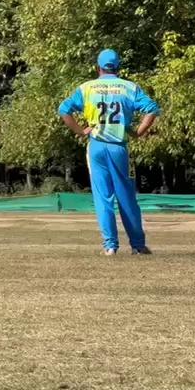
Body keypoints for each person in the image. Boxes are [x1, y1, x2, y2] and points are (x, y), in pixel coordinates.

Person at [58, 49, 161, 256]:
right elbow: (152, 108)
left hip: (96, 145)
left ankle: (110, 246)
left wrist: (80, 131)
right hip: (119, 148)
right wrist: (139, 132)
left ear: (98, 67)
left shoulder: (86, 88)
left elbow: (64, 110)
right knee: (126, 197)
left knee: (103, 197)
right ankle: (138, 245)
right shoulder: (129, 87)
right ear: (118, 67)